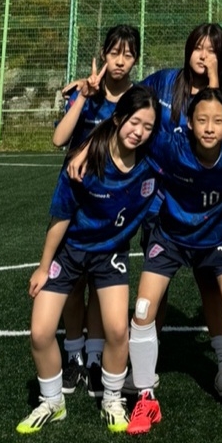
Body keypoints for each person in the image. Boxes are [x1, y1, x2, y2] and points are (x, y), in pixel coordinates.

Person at [125, 86, 222, 438]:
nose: (209, 127)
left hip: (219, 240)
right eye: (202, 120)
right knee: (143, 309)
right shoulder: (170, 146)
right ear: (189, 123)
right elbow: (126, 129)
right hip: (170, 238)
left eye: (217, 121)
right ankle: (145, 396)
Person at [16, 86, 160, 435]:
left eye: (148, 126)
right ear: (118, 119)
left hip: (111, 254)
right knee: (41, 332)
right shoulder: (85, 160)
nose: (139, 132)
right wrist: (43, 266)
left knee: (117, 330)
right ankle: (52, 402)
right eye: (134, 122)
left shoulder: (152, 164)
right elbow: (61, 216)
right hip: (70, 252)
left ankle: (112, 398)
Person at [137, 23, 222, 395]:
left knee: (211, 284)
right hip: (161, 204)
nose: (203, 55)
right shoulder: (165, 82)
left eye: (212, 50)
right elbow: (129, 105)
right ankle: (145, 365)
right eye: (198, 47)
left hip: (209, 212)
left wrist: (215, 84)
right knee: (156, 286)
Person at [53, 25, 140, 398]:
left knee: (98, 282)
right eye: (114, 53)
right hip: (75, 200)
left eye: (128, 54)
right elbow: (59, 139)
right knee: (73, 283)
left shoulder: (137, 100)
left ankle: (93, 357)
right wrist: (82, 98)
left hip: (113, 205)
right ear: (103, 53)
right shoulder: (85, 92)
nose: (120, 61)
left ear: (136, 60)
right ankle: (73, 353)